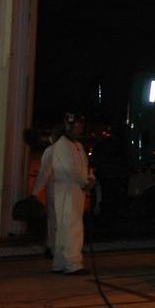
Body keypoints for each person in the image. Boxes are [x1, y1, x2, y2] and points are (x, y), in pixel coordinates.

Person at [47, 113, 94, 275]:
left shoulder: (77, 145)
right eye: (78, 124)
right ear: (69, 125)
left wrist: (90, 178)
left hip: (75, 190)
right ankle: (73, 263)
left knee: (65, 226)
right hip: (67, 191)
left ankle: (60, 262)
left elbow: (85, 166)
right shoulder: (62, 145)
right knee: (71, 226)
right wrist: (85, 181)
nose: (80, 127)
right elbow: (70, 169)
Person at [30, 125, 62, 259]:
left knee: (53, 220)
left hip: (54, 190)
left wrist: (35, 191)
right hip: (66, 191)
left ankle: (52, 246)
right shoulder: (70, 150)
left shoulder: (51, 151)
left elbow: (44, 173)